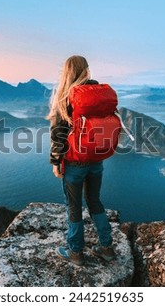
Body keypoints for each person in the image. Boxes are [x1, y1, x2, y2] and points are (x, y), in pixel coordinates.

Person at [47, 55, 116, 266]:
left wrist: (56, 162)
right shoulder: (99, 94)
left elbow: (59, 133)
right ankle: (106, 248)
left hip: (75, 162)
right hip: (96, 159)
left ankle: (76, 251)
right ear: (86, 69)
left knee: (74, 207)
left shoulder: (67, 97)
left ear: (66, 72)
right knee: (95, 202)